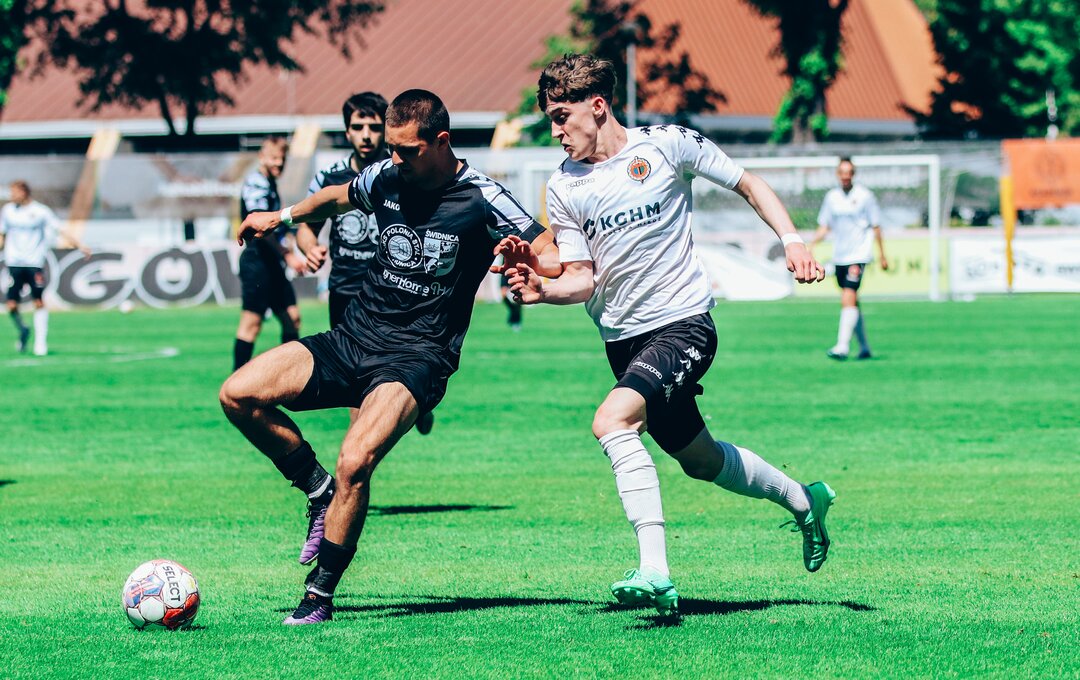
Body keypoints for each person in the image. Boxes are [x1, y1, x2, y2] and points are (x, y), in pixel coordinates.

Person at [507, 54, 835, 617]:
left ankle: (655, 570)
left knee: (612, 421)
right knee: (701, 460)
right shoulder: (564, 185)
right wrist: (542, 289)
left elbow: (748, 183)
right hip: (623, 342)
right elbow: (582, 278)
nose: (556, 131)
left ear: (598, 106)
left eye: (562, 117)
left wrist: (793, 240)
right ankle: (805, 501)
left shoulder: (666, 145)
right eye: (551, 120)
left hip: (684, 324)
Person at [221, 89, 559, 625]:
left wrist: (530, 262)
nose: (393, 157)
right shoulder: (386, 176)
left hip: (417, 358)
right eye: (391, 147)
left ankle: (319, 595)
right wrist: (279, 217)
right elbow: (335, 198)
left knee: (355, 461)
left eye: (406, 149)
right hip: (353, 338)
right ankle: (317, 489)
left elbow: (550, 251)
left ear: (441, 141)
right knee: (237, 394)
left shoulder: (483, 197)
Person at [233, 136, 306, 370]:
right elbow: (260, 226)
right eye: (274, 158)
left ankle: (287, 377)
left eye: (282, 159)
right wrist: (287, 254)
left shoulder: (269, 182)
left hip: (271, 263)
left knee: (292, 319)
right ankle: (236, 382)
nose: (279, 163)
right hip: (257, 262)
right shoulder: (256, 183)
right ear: (261, 157)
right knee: (251, 324)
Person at [809, 157, 888, 360]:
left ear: (853, 174)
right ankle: (864, 348)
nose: (845, 176)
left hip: (858, 254)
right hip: (840, 256)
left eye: (849, 172)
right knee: (852, 301)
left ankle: (842, 346)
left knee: (848, 296)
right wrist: (810, 245)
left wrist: (882, 255)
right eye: (842, 172)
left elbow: (876, 225)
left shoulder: (865, 196)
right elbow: (825, 226)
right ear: (838, 174)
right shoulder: (832, 197)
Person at [0, 180, 90, 355]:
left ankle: (40, 343)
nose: (12, 196)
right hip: (14, 263)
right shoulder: (8, 211)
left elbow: (60, 229)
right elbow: (2, 235)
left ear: (24, 192)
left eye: (14, 192)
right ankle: (23, 329)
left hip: (34, 263)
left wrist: (80, 245)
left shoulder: (40, 211)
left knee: (38, 301)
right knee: (11, 305)